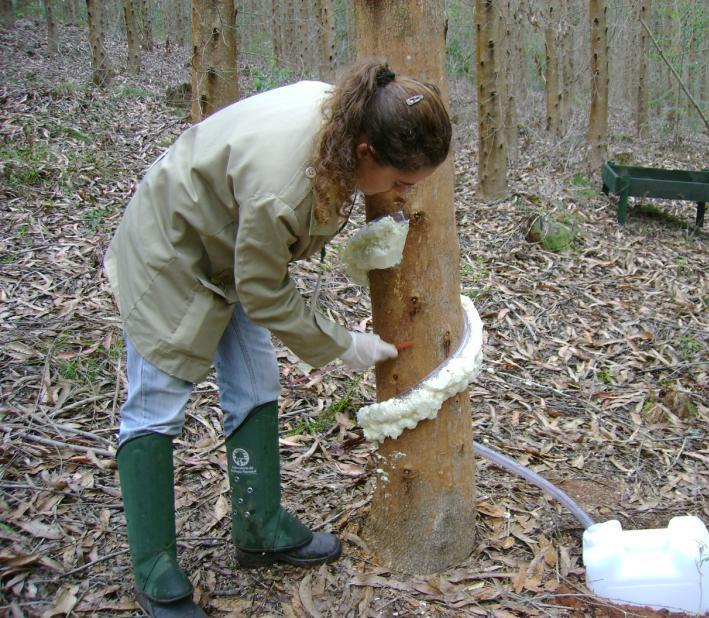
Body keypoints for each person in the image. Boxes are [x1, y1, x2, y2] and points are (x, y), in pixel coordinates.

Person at [104, 58, 452, 617]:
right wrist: (343, 344)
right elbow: (264, 290)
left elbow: (261, 266)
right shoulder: (283, 187)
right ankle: (153, 566)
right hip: (170, 247)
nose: (404, 194)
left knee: (255, 382)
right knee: (156, 404)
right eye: (401, 182)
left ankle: (259, 526)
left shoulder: (349, 117)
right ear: (366, 151)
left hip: (230, 246)